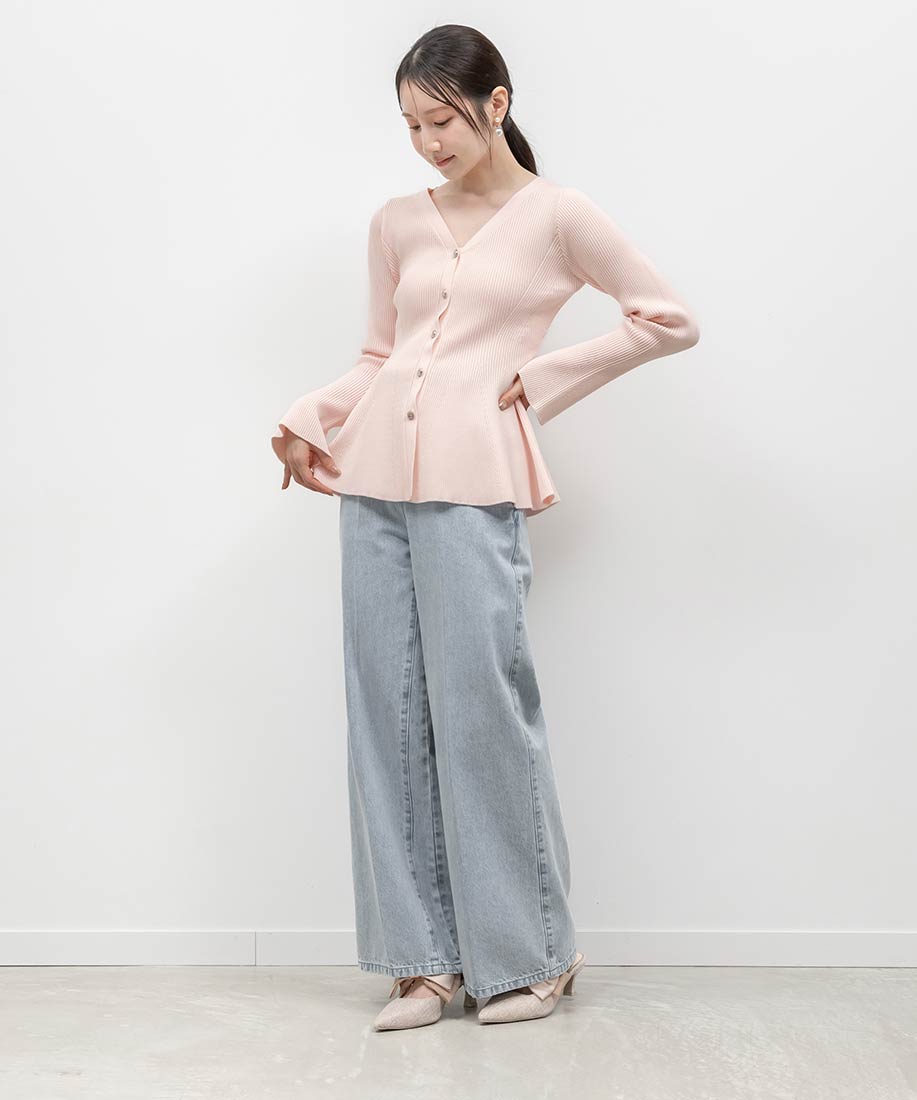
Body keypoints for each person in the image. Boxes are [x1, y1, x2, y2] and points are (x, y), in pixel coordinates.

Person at [270, 24, 700, 1031]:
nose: (428, 142)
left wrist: (540, 381)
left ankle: (529, 954)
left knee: (480, 710)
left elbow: (665, 318)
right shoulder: (395, 222)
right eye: (410, 125)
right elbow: (379, 355)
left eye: (443, 120)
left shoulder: (558, 215)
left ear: (495, 104)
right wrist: (308, 416)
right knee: (384, 715)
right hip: (372, 486)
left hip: (474, 484)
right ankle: (422, 963)